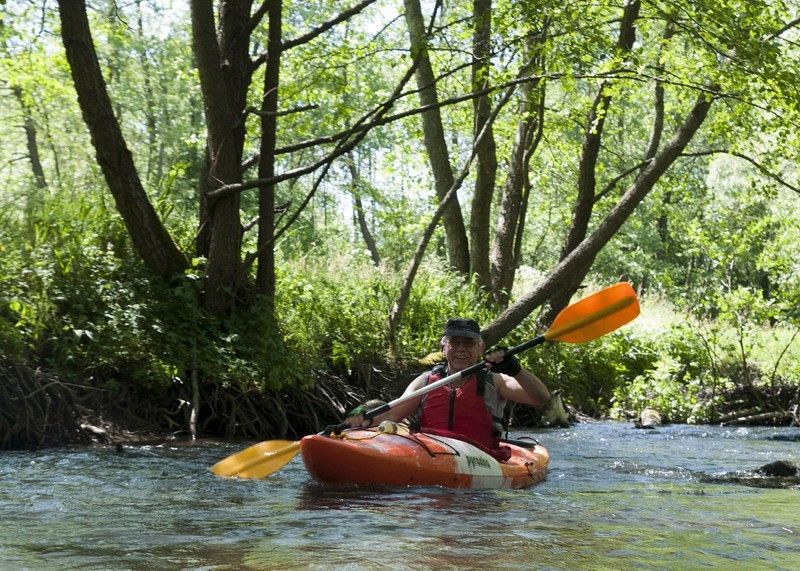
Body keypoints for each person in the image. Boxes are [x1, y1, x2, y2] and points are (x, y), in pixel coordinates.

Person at [345, 318, 550, 459]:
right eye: (454, 342)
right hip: (431, 455)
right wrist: (365, 415)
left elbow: (540, 398)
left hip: (480, 459)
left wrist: (516, 370)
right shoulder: (425, 382)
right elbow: (393, 413)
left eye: (468, 343)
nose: (461, 348)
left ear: (480, 347)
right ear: (443, 347)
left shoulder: (496, 381)